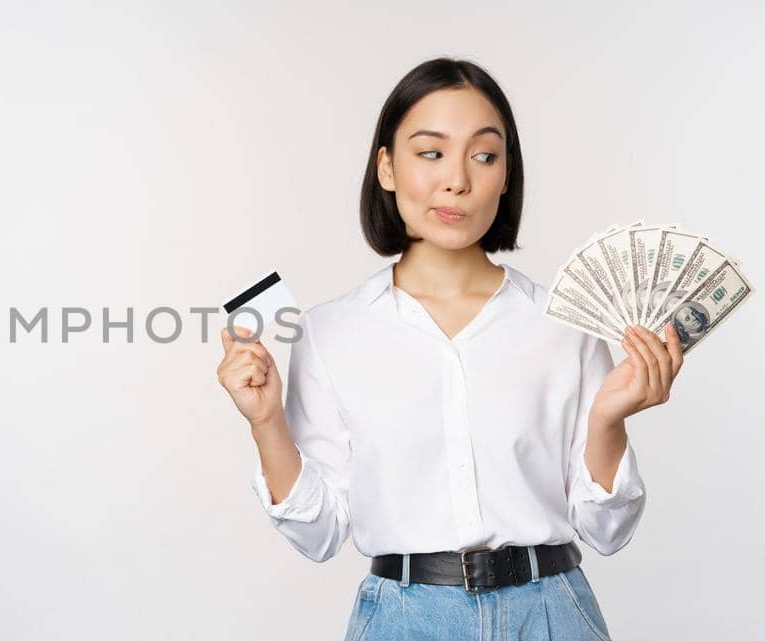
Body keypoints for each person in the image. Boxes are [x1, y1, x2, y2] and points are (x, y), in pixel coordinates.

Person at [215, 58, 684, 641]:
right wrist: (265, 423)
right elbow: (319, 535)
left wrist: (609, 421)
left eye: (484, 155)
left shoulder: (564, 322)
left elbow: (608, 532)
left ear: (506, 174)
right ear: (386, 166)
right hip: (404, 620)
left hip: (552, 614)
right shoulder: (330, 330)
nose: (457, 180)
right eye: (430, 152)